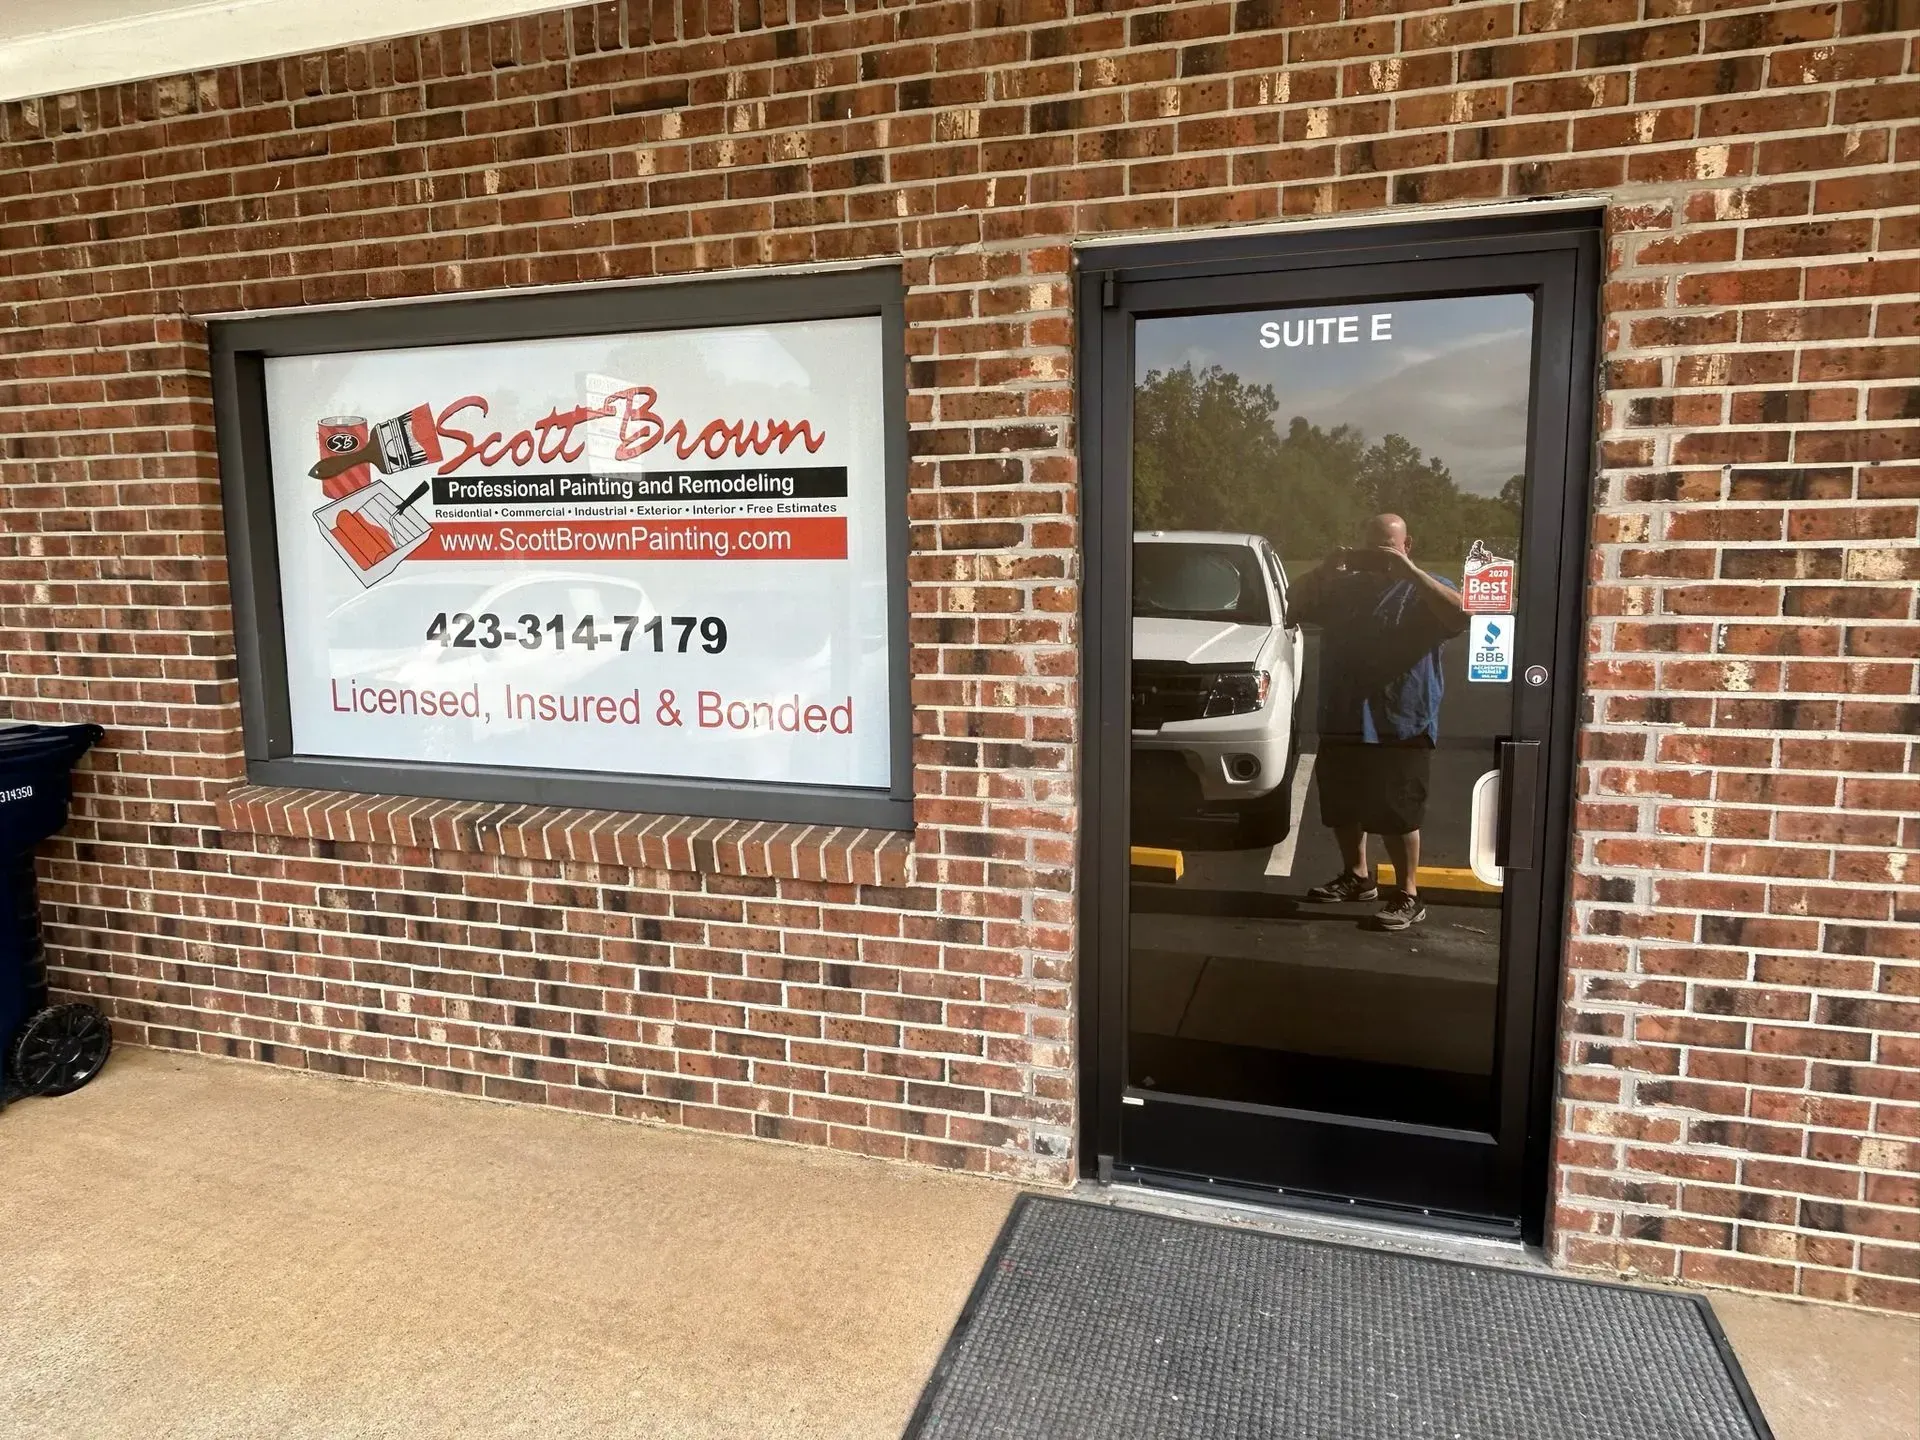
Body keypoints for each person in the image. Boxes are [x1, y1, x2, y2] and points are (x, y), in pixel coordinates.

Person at [1286, 513, 1469, 931]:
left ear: (1408, 545)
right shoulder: (1342, 588)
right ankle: (1357, 877)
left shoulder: (1425, 587)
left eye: (1388, 546)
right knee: (1342, 807)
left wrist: (1411, 573)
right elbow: (1291, 606)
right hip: (1344, 716)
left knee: (1398, 813)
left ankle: (1408, 894)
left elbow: (1460, 616)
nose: (1380, 555)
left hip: (1402, 719)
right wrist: (1323, 570)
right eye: (1373, 547)